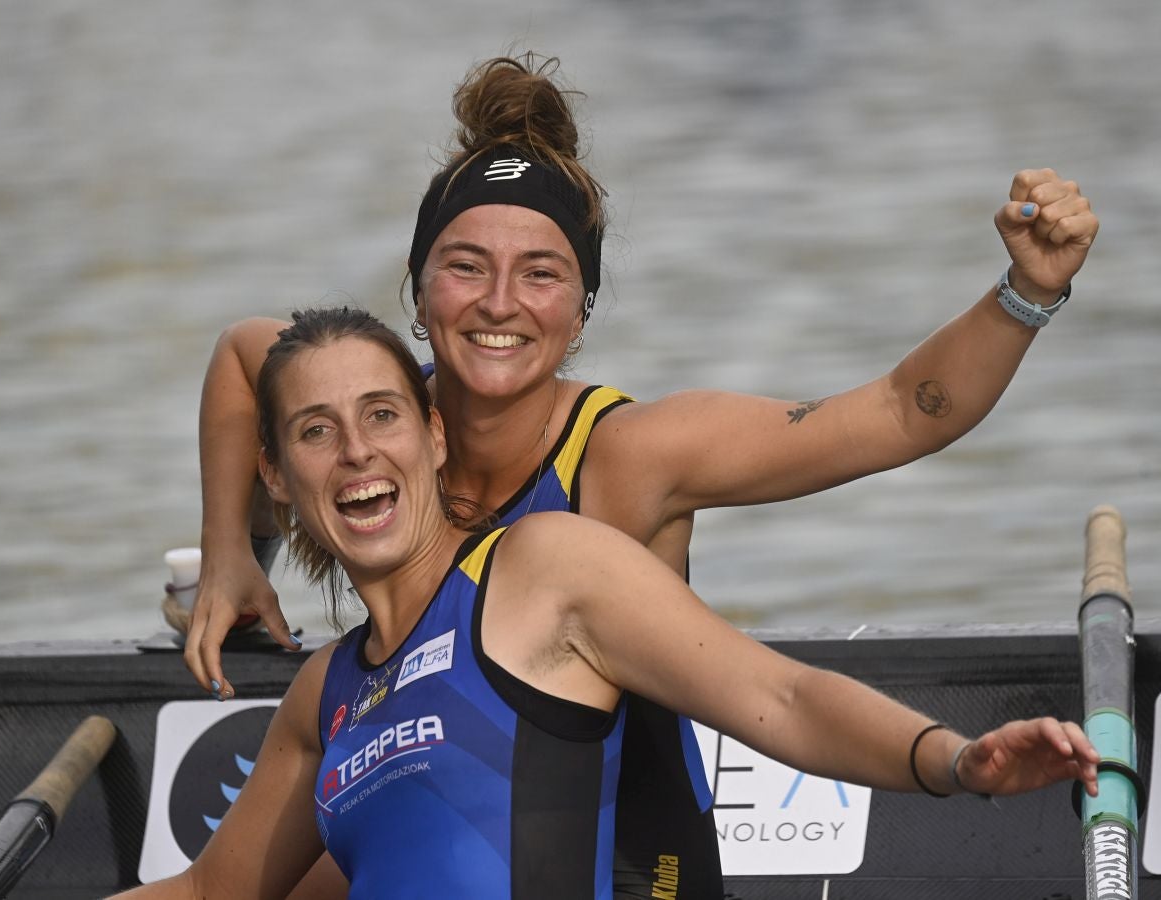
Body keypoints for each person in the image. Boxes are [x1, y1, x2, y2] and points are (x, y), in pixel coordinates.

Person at [185, 54, 1098, 898]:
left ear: (579, 312)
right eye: (465, 268)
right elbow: (239, 358)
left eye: (539, 275)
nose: (498, 302)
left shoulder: (633, 454)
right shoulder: (367, 407)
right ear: (418, 293)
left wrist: (1026, 293)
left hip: (636, 854)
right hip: (447, 792)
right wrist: (235, 556)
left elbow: (904, 409)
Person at [123, 309, 1099, 899]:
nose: (357, 451)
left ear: (429, 433)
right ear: (279, 474)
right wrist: (230, 557)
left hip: (652, 854)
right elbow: (211, 889)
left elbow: (787, 701)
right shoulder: (324, 694)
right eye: (317, 432)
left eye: (381, 418)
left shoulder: (552, 568)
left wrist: (955, 759)